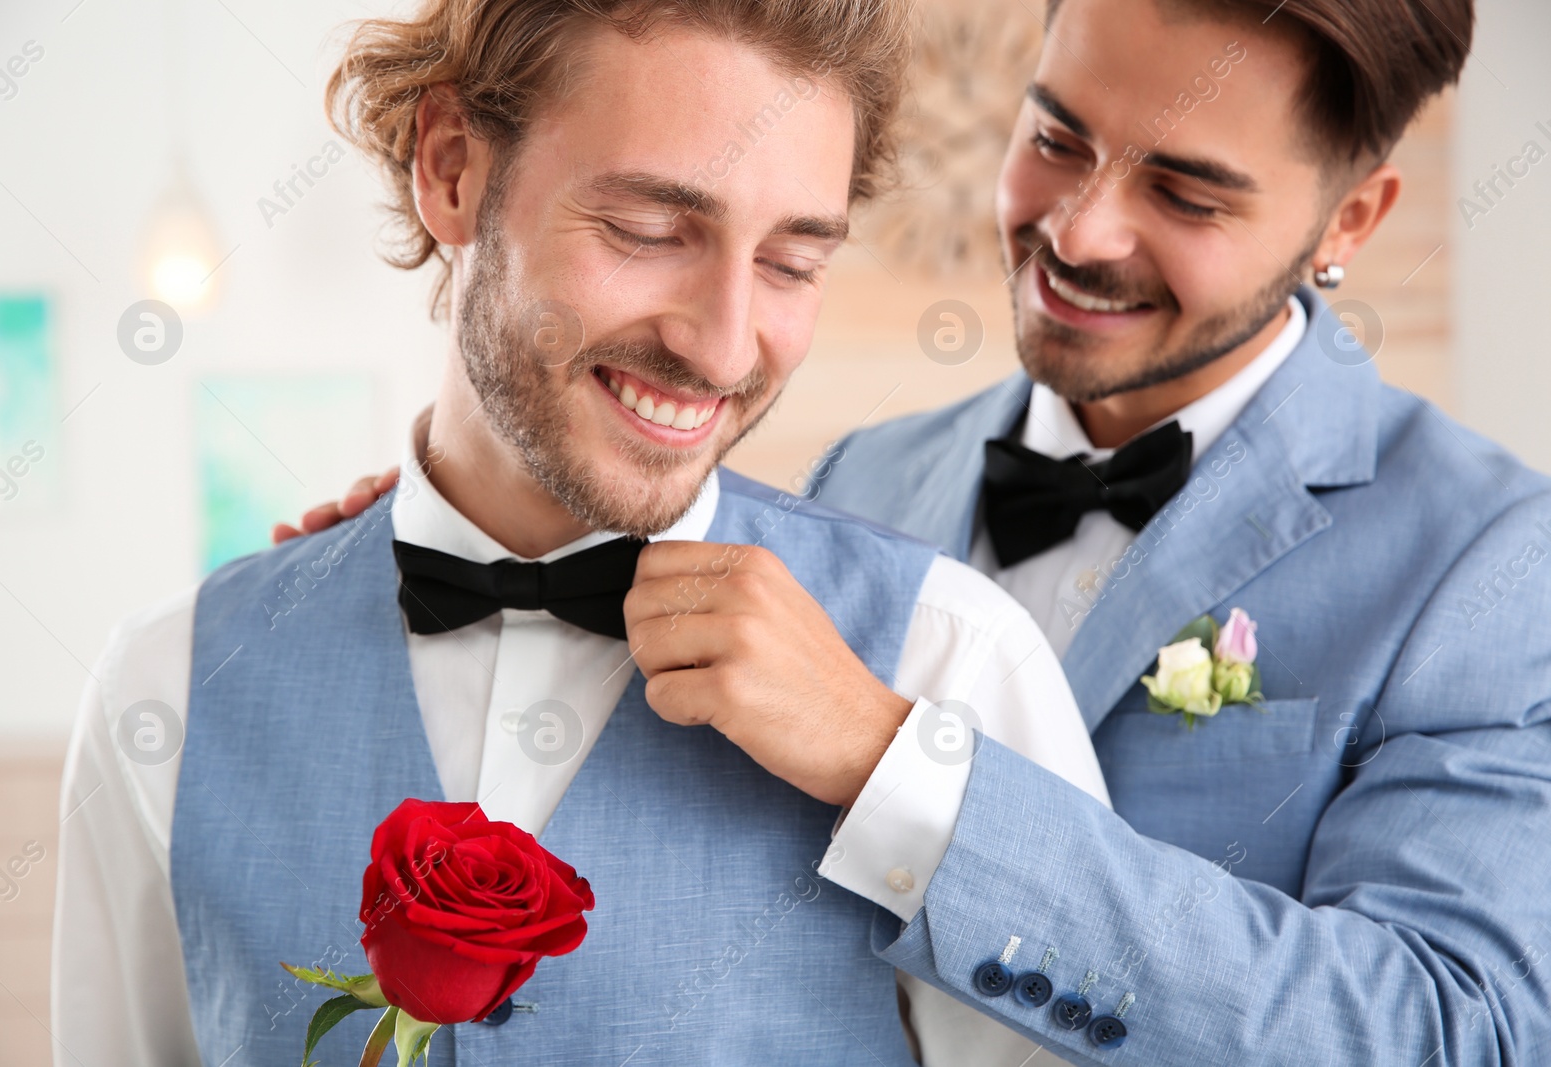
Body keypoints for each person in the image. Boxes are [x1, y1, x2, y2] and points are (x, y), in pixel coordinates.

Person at [306, 0, 1551, 1062]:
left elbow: (1453, 1030)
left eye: (1184, 192)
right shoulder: (868, 469)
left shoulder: (1495, 555)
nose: (1078, 231)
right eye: (1057, 139)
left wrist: (892, 760)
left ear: (1349, 223)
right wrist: (451, 525)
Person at [51, 1, 1110, 1065]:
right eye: (649, 231)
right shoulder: (168, 685)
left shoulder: (948, 659)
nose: (723, 343)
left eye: (792, 262)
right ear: (453, 168)